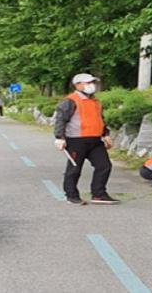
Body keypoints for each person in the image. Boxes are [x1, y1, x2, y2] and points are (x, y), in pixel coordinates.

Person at [54, 73, 118, 205]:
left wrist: (105, 134)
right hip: (76, 140)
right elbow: (61, 119)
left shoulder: (95, 102)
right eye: (88, 83)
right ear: (78, 85)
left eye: (92, 82)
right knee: (74, 169)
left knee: (104, 166)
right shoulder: (70, 101)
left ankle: (99, 194)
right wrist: (59, 137)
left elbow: (100, 120)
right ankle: (71, 195)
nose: (92, 85)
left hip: (95, 141)